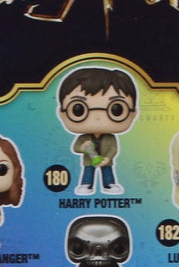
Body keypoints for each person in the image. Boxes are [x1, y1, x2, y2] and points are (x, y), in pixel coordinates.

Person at [56, 66, 138, 195]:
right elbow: (75, 148)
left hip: (106, 160)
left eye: (117, 109)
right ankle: (86, 185)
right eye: (79, 109)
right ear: (62, 114)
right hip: (89, 160)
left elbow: (113, 149)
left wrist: (107, 158)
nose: (98, 117)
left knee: (107, 173)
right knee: (88, 173)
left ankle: (109, 184)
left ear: (133, 114)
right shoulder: (83, 138)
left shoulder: (110, 138)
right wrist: (83, 148)